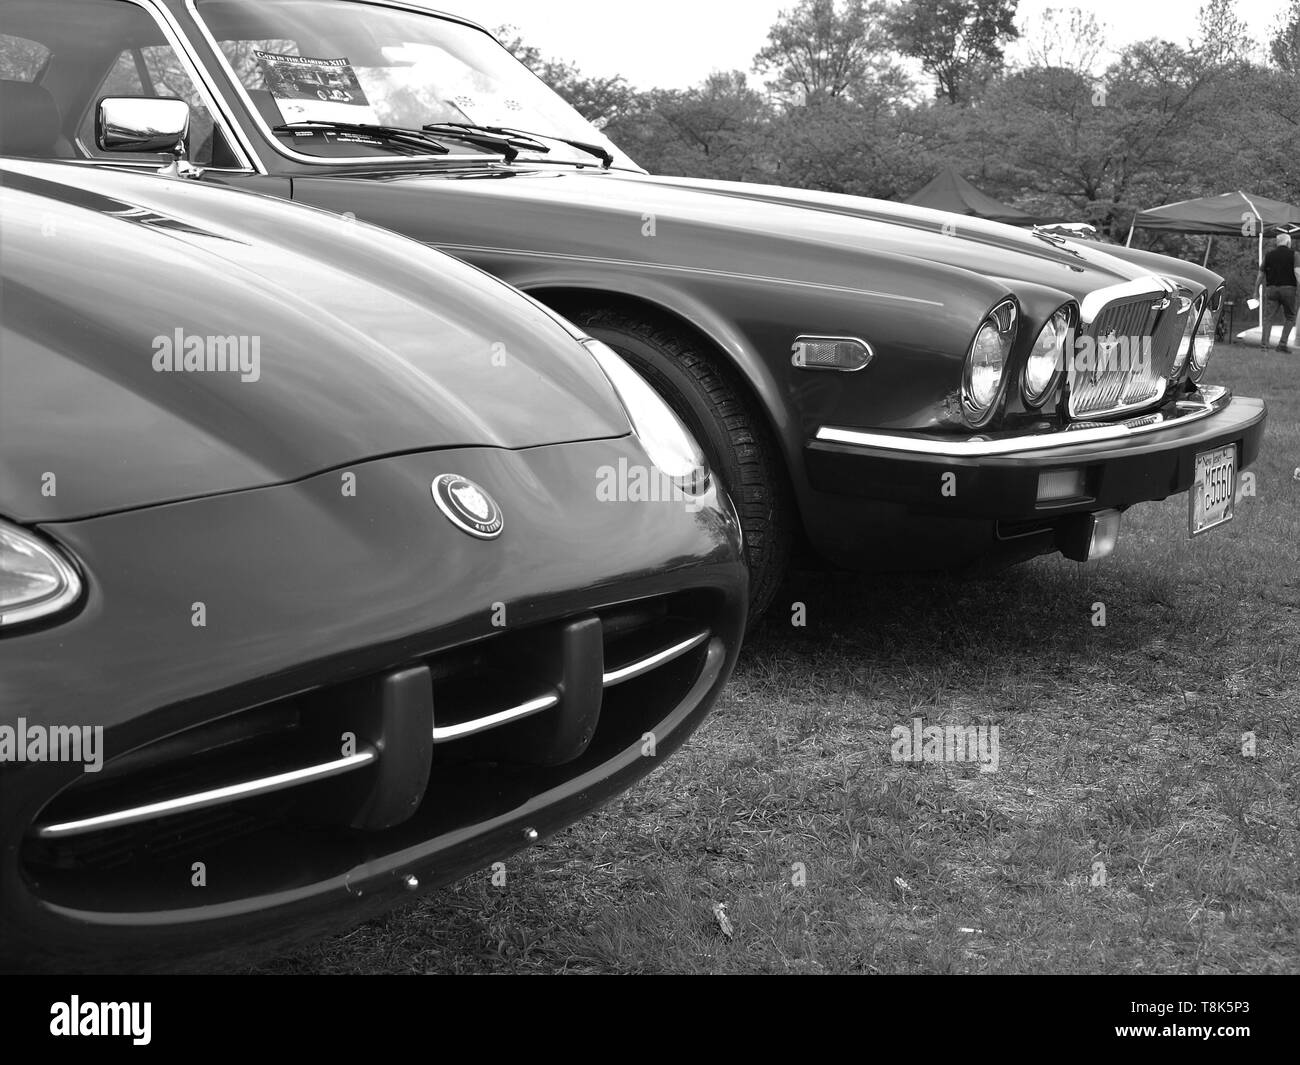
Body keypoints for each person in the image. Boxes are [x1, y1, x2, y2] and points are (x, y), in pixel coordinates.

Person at [1256, 231, 1300, 352]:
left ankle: (1264, 346)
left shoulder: (1268, 255)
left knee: (1268, 318)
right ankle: (1282, 344)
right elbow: (1297, 273)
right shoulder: (1295, 255)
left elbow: (1260, 275)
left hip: (1271, 290)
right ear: (1288, 242)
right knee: (1290, 317)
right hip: (1289, 290)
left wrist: (1256, 291)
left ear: (1277, 243)